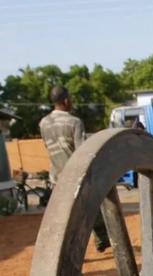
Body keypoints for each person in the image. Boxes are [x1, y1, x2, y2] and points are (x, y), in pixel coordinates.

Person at [39, 85, 110, 251]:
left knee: (63, 216)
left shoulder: (43, 123)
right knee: (91, 209)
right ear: (65, 100)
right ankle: (101, 240)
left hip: (56, 177)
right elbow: (81, 151)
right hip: (74, 174)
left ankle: (62, 248)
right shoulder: (74, 122)